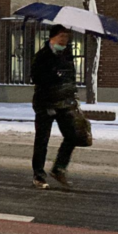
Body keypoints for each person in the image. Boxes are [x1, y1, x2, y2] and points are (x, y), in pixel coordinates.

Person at [31, 24, 79, 189]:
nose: (64, 40)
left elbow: (70, 77)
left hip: (63, 103)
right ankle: (38, 175)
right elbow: (36, 78)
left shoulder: (66, 55)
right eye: (61, 37)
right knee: (42, 140)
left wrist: (71, 90)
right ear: (52, 38)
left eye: (66, 37)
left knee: (72, 135)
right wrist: (54, 75)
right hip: (45, 103)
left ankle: (59, 168)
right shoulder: (42, 56)